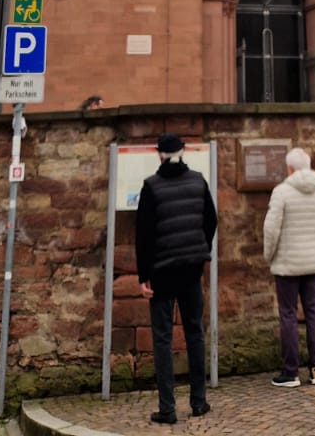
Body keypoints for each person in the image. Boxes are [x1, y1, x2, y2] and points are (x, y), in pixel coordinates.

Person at [135, 133, 218, 425]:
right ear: (183, 152)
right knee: (195, 333)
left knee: (162, 338)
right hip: (192, 269)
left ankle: (167, 408)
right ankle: (199, 401)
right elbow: (211, 220)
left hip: (162, 272)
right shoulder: (198, 181)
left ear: (159, 154)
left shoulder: (151, 187)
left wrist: (144, 276)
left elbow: (143, 235)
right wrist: (198, 249)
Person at [262, 146, 315, 389]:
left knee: (288, 315)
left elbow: (271, 229)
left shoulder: (281, 192)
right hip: (312, 261)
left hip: (287, 263)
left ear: (290, 168)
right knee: (313, 312)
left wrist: (268, 256)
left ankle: (290, 372)